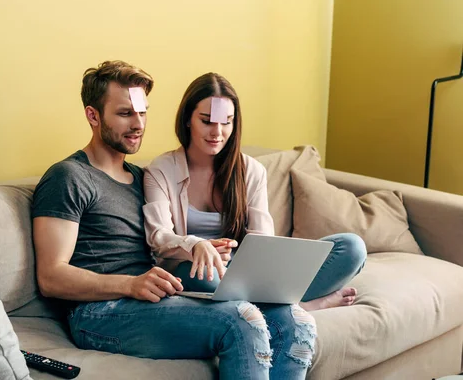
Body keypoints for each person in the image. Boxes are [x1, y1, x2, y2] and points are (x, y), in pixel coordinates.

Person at [31, 60, 317, 380]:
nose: (138, 123)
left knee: (295, 322)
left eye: (143, 112)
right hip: (98, 313)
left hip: (156, 298)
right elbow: (50, 277)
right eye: (125, 113)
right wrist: (130, 284)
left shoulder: (141, 178)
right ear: (93, 115)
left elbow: (165, 239)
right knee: (241, 321)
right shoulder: (68, 176)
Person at [143, 72, 367, 312]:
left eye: (226, 121)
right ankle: (301, 306)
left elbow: (263, 240)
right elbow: (158, 237)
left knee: (352, 247)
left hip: (246, 272)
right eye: (207, 121)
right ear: (188, 119)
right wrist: (196, 245)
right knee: (202, 275)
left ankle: (265, 304)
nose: (217, 133)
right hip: (196, 272)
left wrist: (258, 267)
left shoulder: (251, 170)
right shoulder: (161, 171)